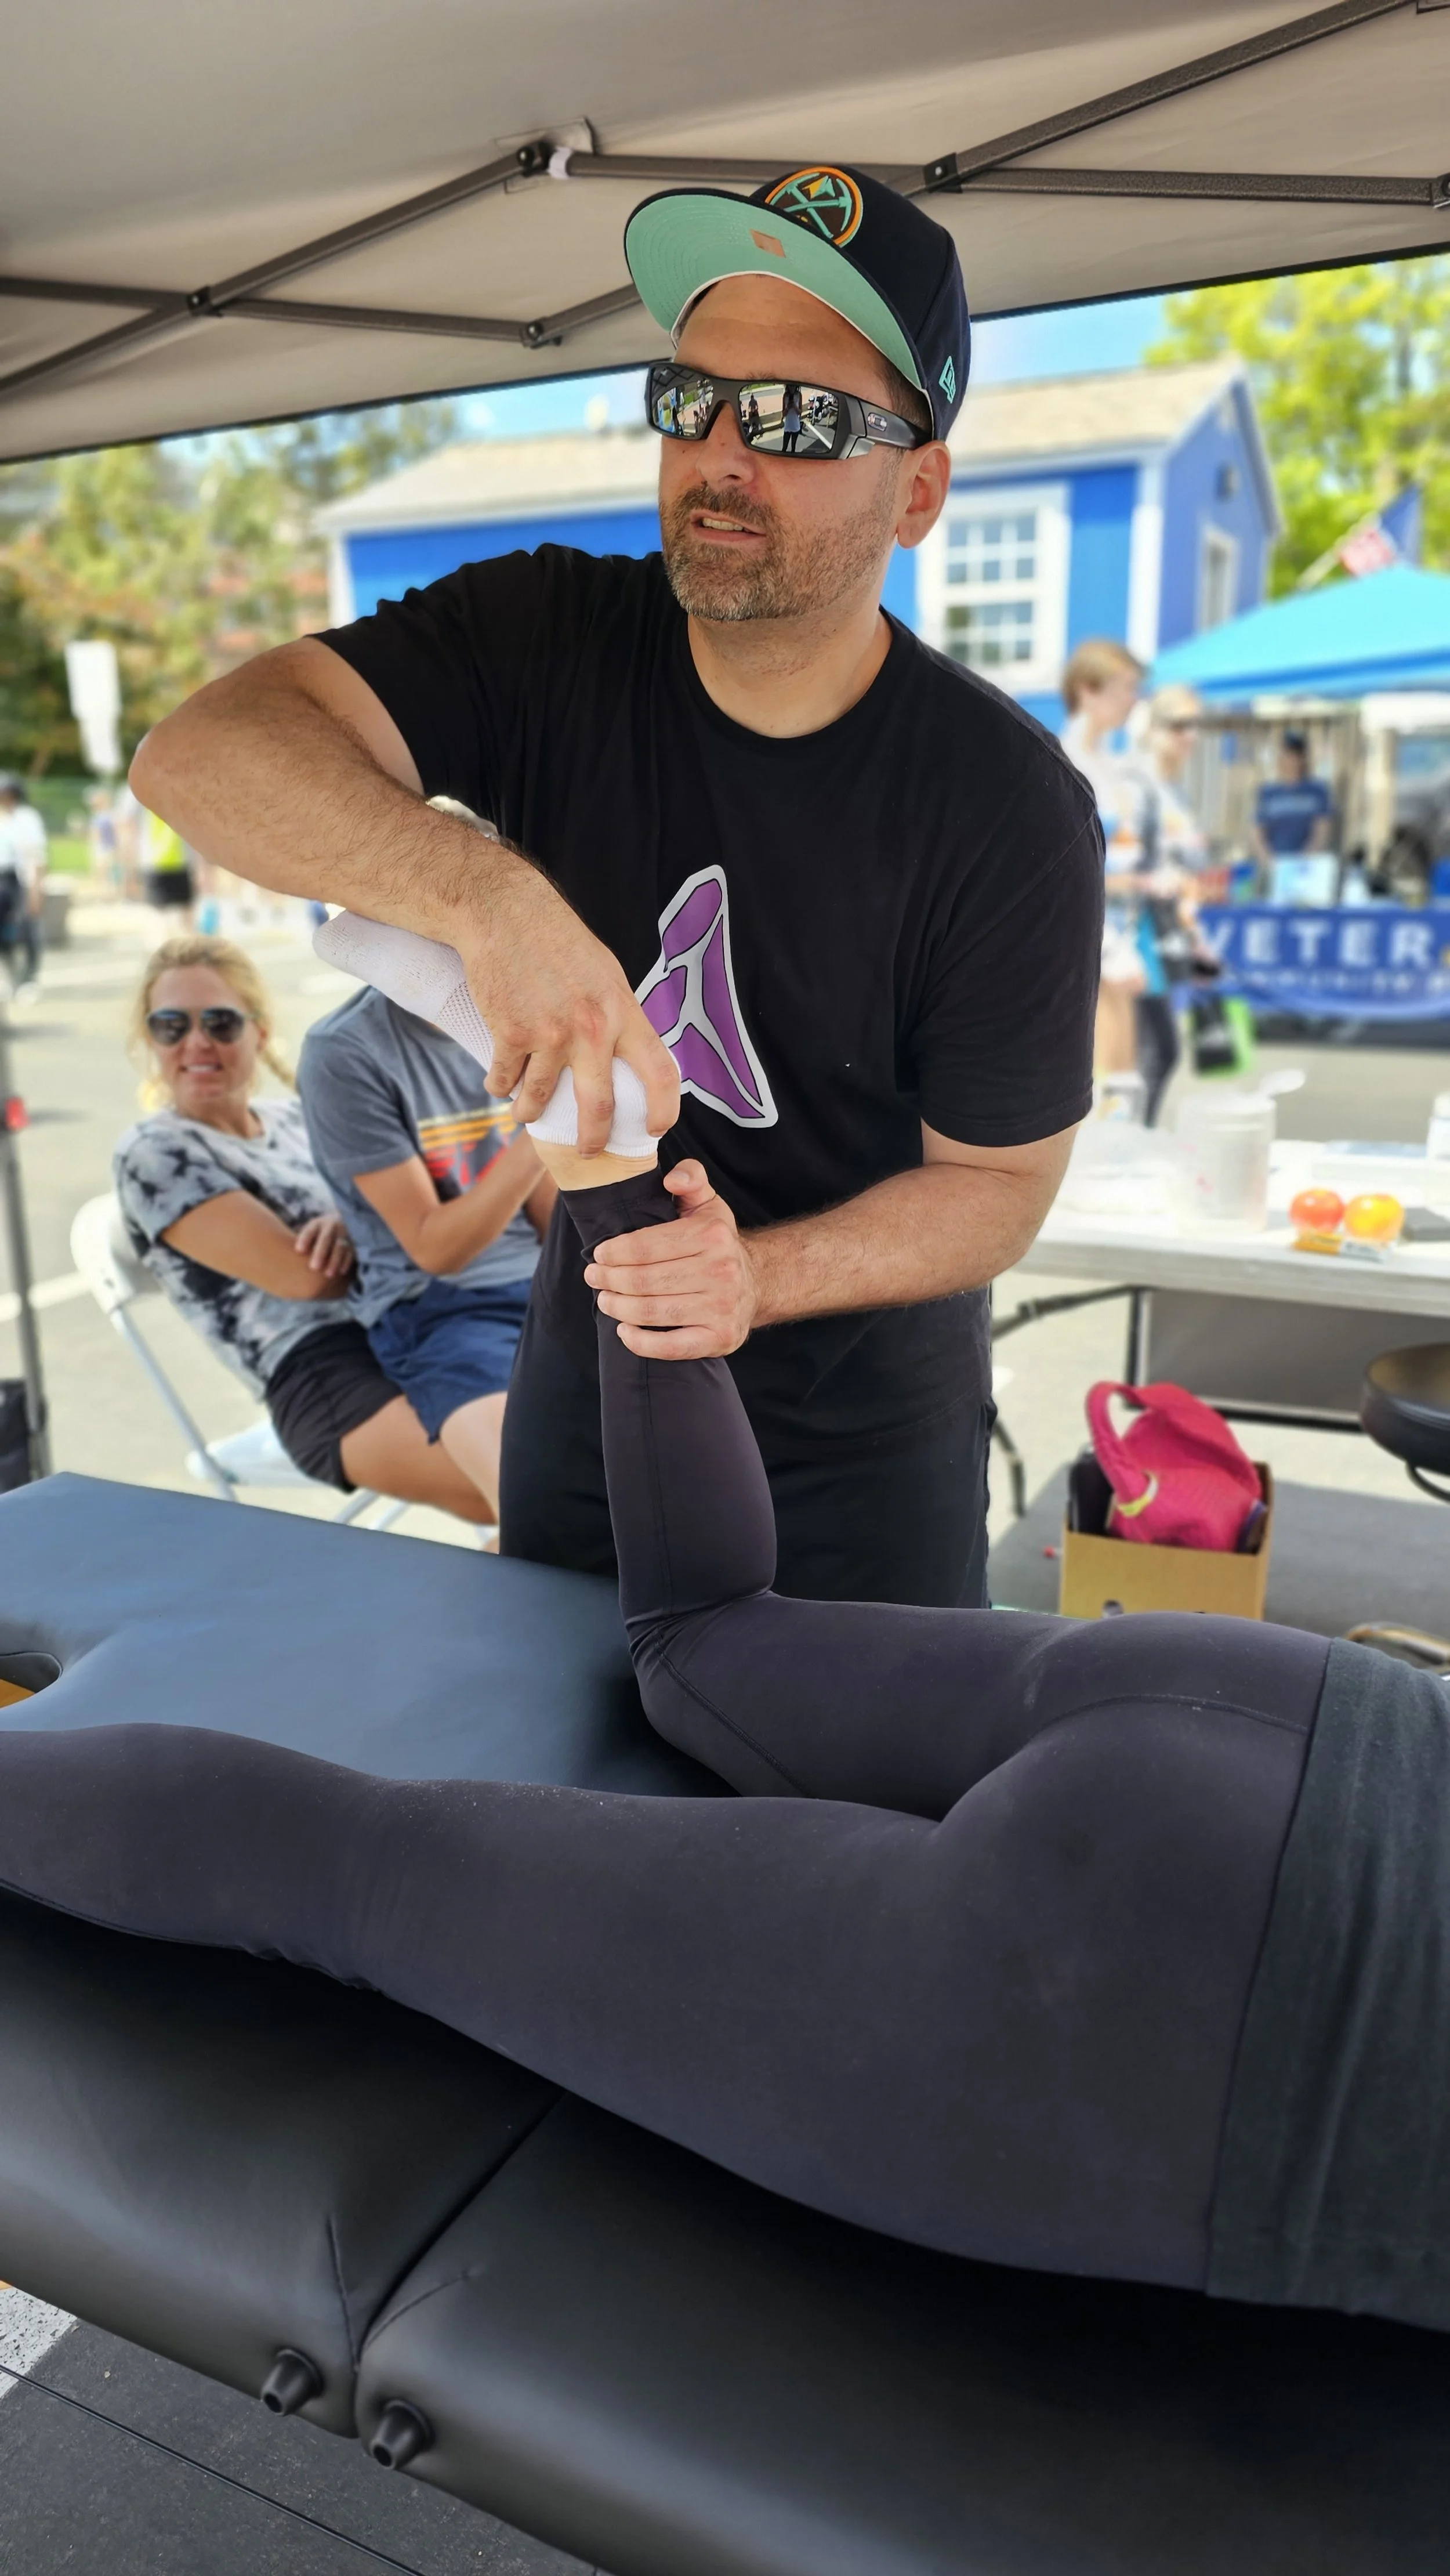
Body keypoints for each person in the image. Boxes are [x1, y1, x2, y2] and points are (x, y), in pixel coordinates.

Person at [4, 1136, 1449, 2346]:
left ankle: (621, 1180)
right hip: (1221, 2015)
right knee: (347, 1871)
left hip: (1320, 1718)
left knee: (708, 1635)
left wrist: (620, 1180)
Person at [130, 163, 1103, 1614]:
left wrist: (748, 1279)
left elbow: (998, 1188)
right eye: (690, 397)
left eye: (796, 418)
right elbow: (202, 756)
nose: (722, 452)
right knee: (557, 1802)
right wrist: (488, 893)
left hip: (859, 1451)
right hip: (583, 1411)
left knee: (843, 1841)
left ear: (918, 490)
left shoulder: (1008, 807)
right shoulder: (549, 635)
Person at [114, 935, 494, 1524]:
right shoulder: (156, 1152)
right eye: (170, 1025)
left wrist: (355, 1222)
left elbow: (436, 1197)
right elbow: (306, 1279)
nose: (196, 1042)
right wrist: (382, 1223)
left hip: (418, 1320)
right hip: (323, 1369)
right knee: (531, 1488)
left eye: (220, 1022)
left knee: (575, 1462)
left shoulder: (295, 1118)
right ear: (148, 1040)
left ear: (260, 1032)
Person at [298, 969, 553, 1526]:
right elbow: (435, 1249)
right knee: (537, 1506)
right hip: (438, 1309)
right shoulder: (345, 1049)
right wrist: (545, 1127)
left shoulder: (513, 1016)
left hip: (542, 1286)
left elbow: (550, 1218)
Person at [1060, 641, 1147, 1082]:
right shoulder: (1067, 763)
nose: (1134, 699)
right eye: (1125, 687)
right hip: (1092, 936)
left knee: (1125, 1071)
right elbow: (1067, 875)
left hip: (1118, 928)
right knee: (1107, 1073)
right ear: (1088, 691)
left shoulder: (1107, 765)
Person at [1129, 685, 1214, 1126]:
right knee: (1151, 1051)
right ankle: (1125, 1146)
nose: (1190, 736)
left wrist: (1196, 931)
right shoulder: (1136, 785)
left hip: (1166, 931)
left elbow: (1187, 869)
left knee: (1159, 1050)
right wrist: (1155, 880)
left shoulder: (1174, 792)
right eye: (1180, 725)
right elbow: (1111, 862)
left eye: (1194, 725)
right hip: (1132, 932)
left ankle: (1134, 1138)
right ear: (1154, 729)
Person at [1252, 730, 1334, 873]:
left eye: (1297, 755)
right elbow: (1258, 833)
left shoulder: (1318, 791)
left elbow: (1322, 830)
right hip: (1274, 866)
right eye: (1289, 754)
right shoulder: (1268, 792)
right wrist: (1269, 862)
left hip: (1306, 868)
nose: (1293, 760)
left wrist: (1303, 861)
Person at [0, 779, 46, 997]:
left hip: (17, 879)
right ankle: (12, 976)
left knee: (27, 927)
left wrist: (36, 889)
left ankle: (30, 976)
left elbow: (35, 856)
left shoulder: (25, 818)